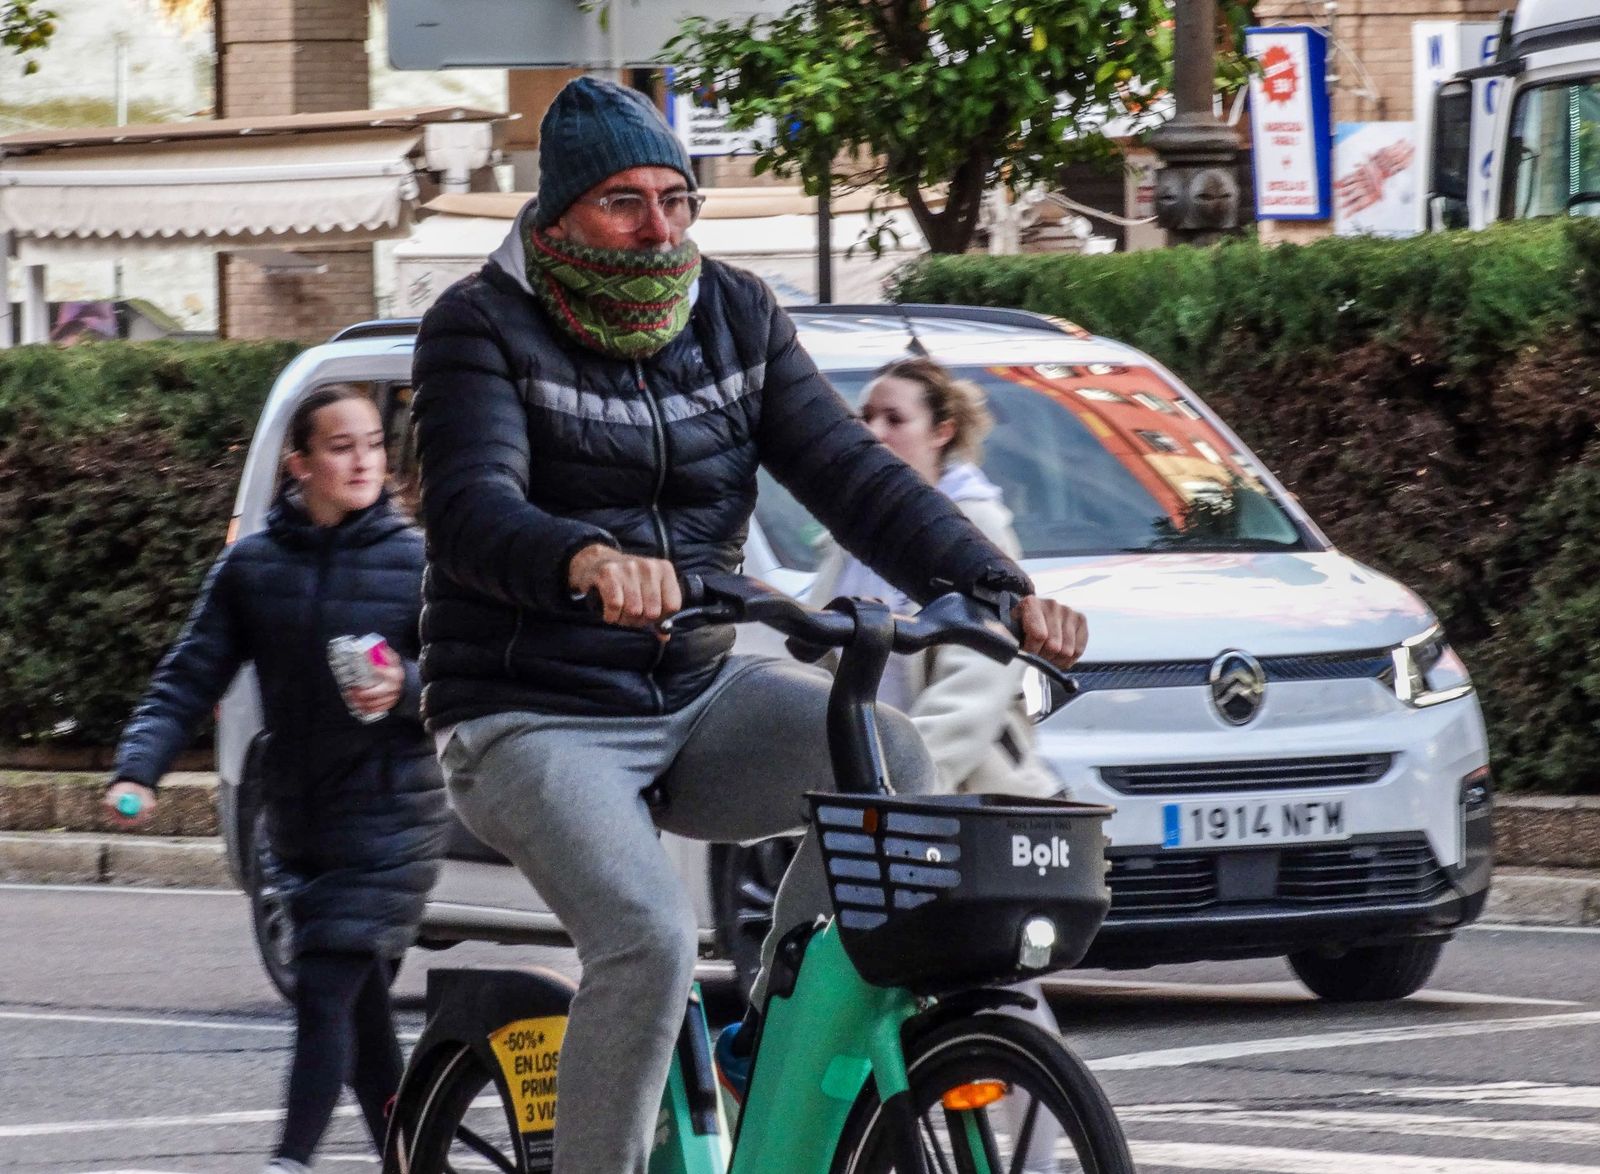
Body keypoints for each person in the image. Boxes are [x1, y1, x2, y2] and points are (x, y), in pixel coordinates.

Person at [409, 76, 1087, 1174]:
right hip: (530, 709)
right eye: (625, 202)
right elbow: (470, 508)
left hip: (695, 689)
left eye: (676, 198)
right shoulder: (477, 324)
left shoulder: (735, 312)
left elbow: (855, 476)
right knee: (648, 940)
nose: (659, 227)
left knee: (894, 763)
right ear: (560, 212)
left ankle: (768, 1039)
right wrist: (584, 560)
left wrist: (999, 590)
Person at [102, 385, 448, 1174]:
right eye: (340, 446)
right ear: (299, 464)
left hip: (392, 818)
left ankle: (288, 1161)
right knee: (364, 1034)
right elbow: (189, 674)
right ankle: (415, 1165)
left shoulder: (418, 564)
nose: (363, 460)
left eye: (373, 444)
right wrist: (139, 767)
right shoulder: (253, 567)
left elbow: (470, 678)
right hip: (298, 822)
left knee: (323, 988)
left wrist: (403, 687)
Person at [811, 356, 1066, 1172]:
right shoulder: (853, 536)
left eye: (896, 418)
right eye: (866, 417)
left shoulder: (971, 526)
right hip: (879, 801)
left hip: (958, 806)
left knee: (1004, 1001)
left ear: (942, 431)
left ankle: (1037, 1164)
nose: (874, 431)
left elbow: (972, 688)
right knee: (850, 986)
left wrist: (900, 787)